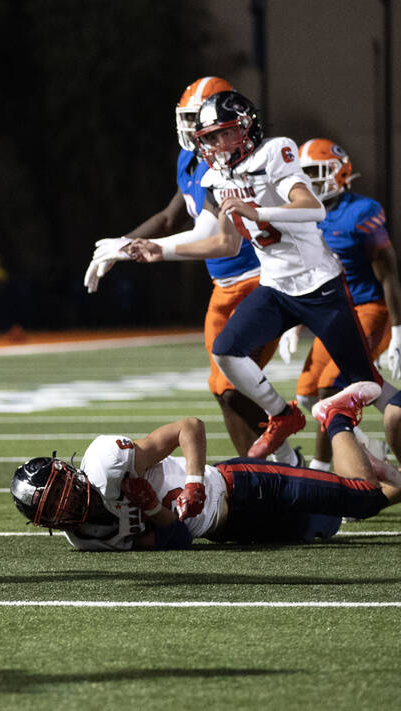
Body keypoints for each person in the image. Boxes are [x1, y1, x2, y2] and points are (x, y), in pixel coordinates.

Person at [127, 90, 397, 460]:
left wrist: (259, 213)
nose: (217, 144)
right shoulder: (218, 178)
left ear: (247, 127)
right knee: (225, 351)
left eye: (224, 133)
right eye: (209, 138)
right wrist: (163, 250)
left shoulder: (274, 152)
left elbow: (311, 207)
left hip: (319, 287)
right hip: (275, 288)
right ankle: (281, 415)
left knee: (368, 382)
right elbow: (224, 243)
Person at [85, 77, 284, 461]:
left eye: (200, 118)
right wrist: (119, 243)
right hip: (224, 287)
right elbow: (169, 217)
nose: (194, 128)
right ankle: (263, 471)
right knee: (223, 389)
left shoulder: (239, 163)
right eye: (189, 118)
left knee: (232, 384)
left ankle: (279, 471)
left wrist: (133, 249)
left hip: (259, 281)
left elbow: (211, 233)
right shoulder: (191, 159)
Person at [11, 381, 400, 550]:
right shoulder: (87, 538)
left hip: (240, 485)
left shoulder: (108, 462)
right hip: (234, 532)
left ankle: (336, 417)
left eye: (62, 494)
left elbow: (189, 427)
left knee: (362, 500)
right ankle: (375, 462)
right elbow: (177, 541)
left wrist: (194, 482)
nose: (68, 508)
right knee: (338, 518)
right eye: (55, 510)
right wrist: (153, 509)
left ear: (70, 473)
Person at [278, 138, 401, 470]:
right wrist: (292, 323)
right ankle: (370, 444)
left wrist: (399, 331)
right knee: (306, 394)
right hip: (331, 311)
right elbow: (301, 273)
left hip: (367, 309)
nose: (311, 181)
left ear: (340, 172)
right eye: (305, 174)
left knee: (331, 388)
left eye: (317, 172)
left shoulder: (361, 212)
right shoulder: (300, 216)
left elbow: (388, 273)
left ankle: (321, 470)